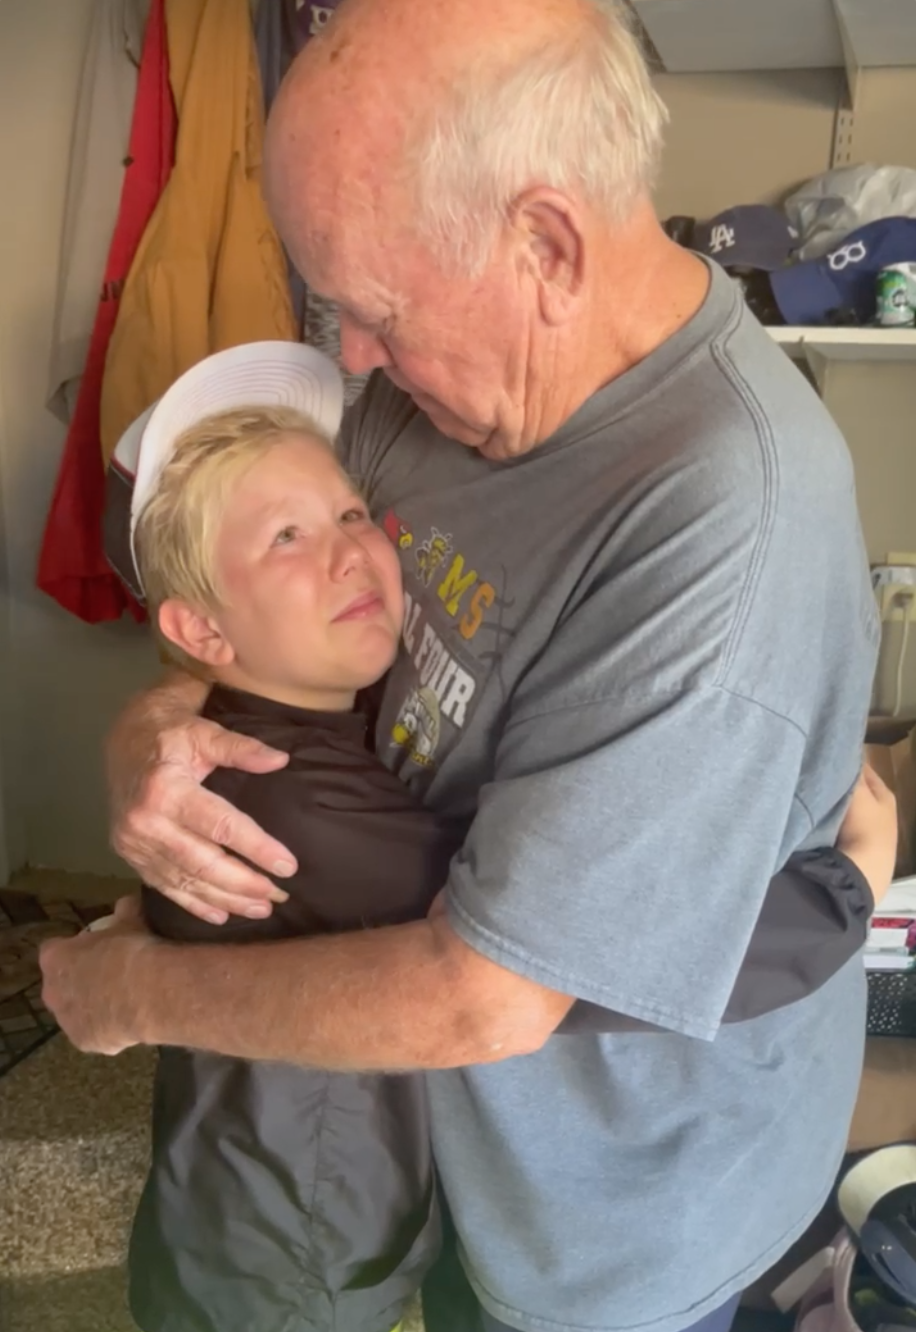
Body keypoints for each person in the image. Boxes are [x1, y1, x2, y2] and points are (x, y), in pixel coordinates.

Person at [40, 2, 893, 1332]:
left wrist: (131, 988)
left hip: (610, 1241)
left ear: (544, 244)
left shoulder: (719, 525)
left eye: (373, 312)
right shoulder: (436, 383)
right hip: (454, 1157)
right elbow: (254, 631)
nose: (357, 364)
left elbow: (491, 988)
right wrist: (157, 721)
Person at [112, 342, 467, 1332]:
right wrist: (856, 878)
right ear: (207, 634)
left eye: (351, 514)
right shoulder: (291, 804)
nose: (350, 551)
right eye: (285, 538)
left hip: (240, 1213)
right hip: (292, 1266)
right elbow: (555, 930)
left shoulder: (292, 720)